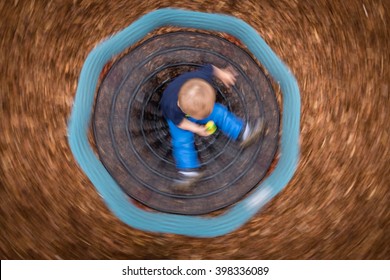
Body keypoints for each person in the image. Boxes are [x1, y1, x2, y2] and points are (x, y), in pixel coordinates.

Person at [160, 64, 264, 188]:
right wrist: (197, 128)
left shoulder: (202, 79)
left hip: (193, 104)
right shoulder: (171, 108)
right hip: (177, 119)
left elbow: (210, 68)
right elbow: (181, 123)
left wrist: (223, 74)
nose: (205, 116)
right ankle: (189, 171)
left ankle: (243, 132)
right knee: (181, 140)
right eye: (201, 116)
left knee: (219, 112)